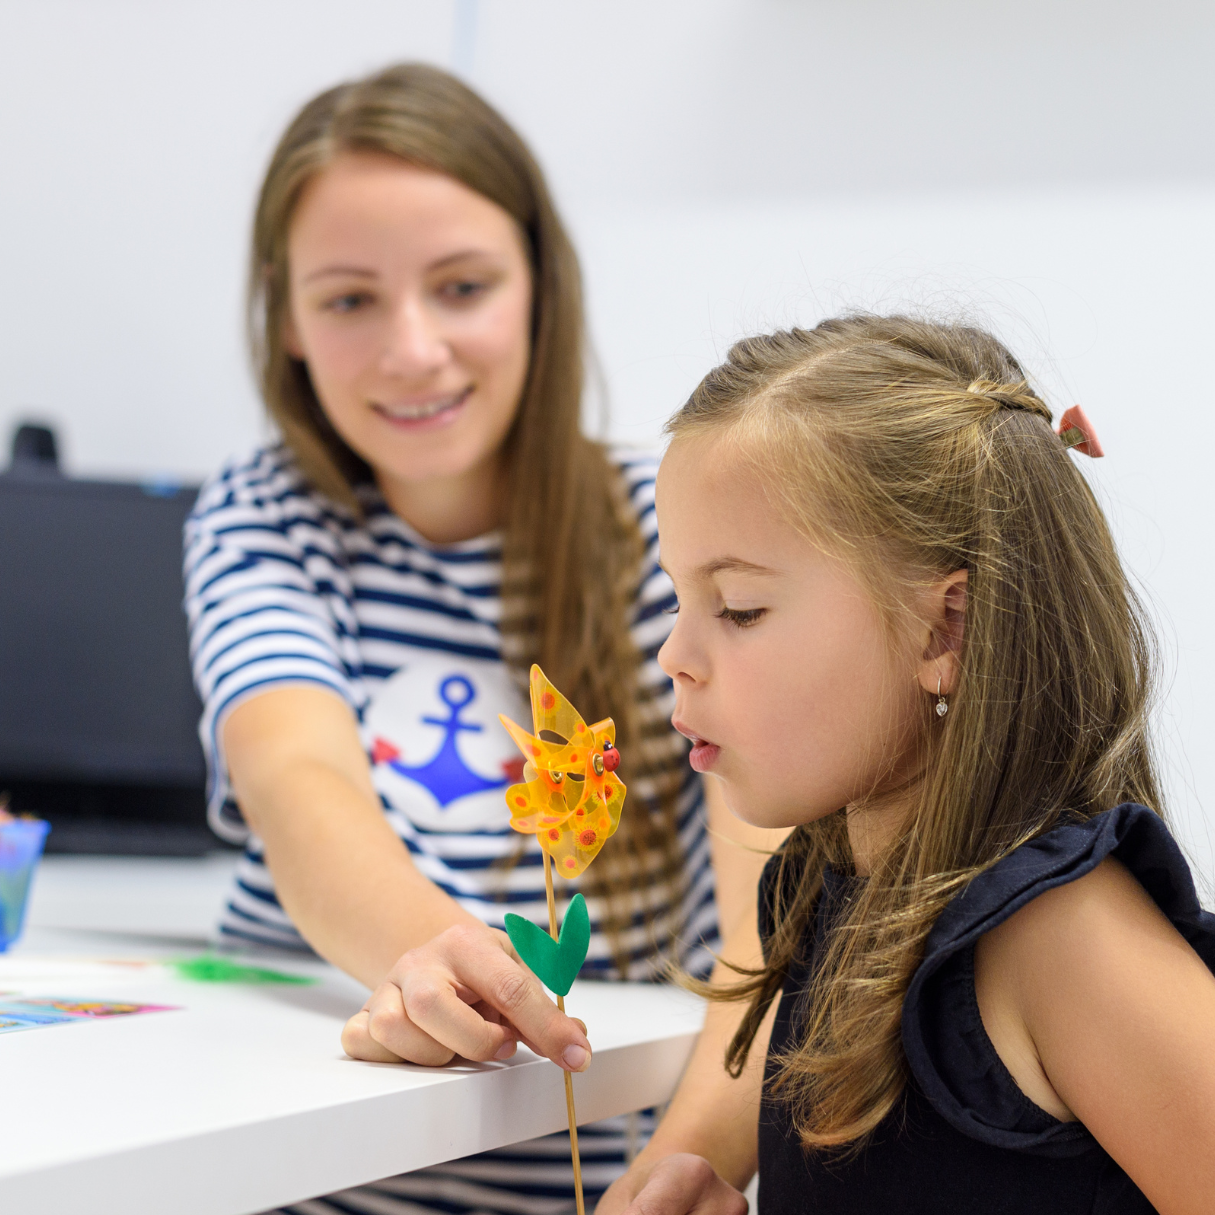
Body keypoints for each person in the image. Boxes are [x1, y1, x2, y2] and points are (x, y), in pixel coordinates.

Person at [183, 62, 773, 1215]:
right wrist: (440, 957)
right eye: (350, 299)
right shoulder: (263, 514)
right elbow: (295, 775)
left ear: (541, 288)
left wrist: (677, 1179)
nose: (412, 350)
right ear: (287, 317)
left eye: (461, 287)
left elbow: (766, 934)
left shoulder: (670, 528)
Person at [596, 315, 1215, 1213]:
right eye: (677, 596)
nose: (673, 654)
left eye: (736, 608)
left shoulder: (1060, 939)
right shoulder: (823, 891)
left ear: (945, 629)